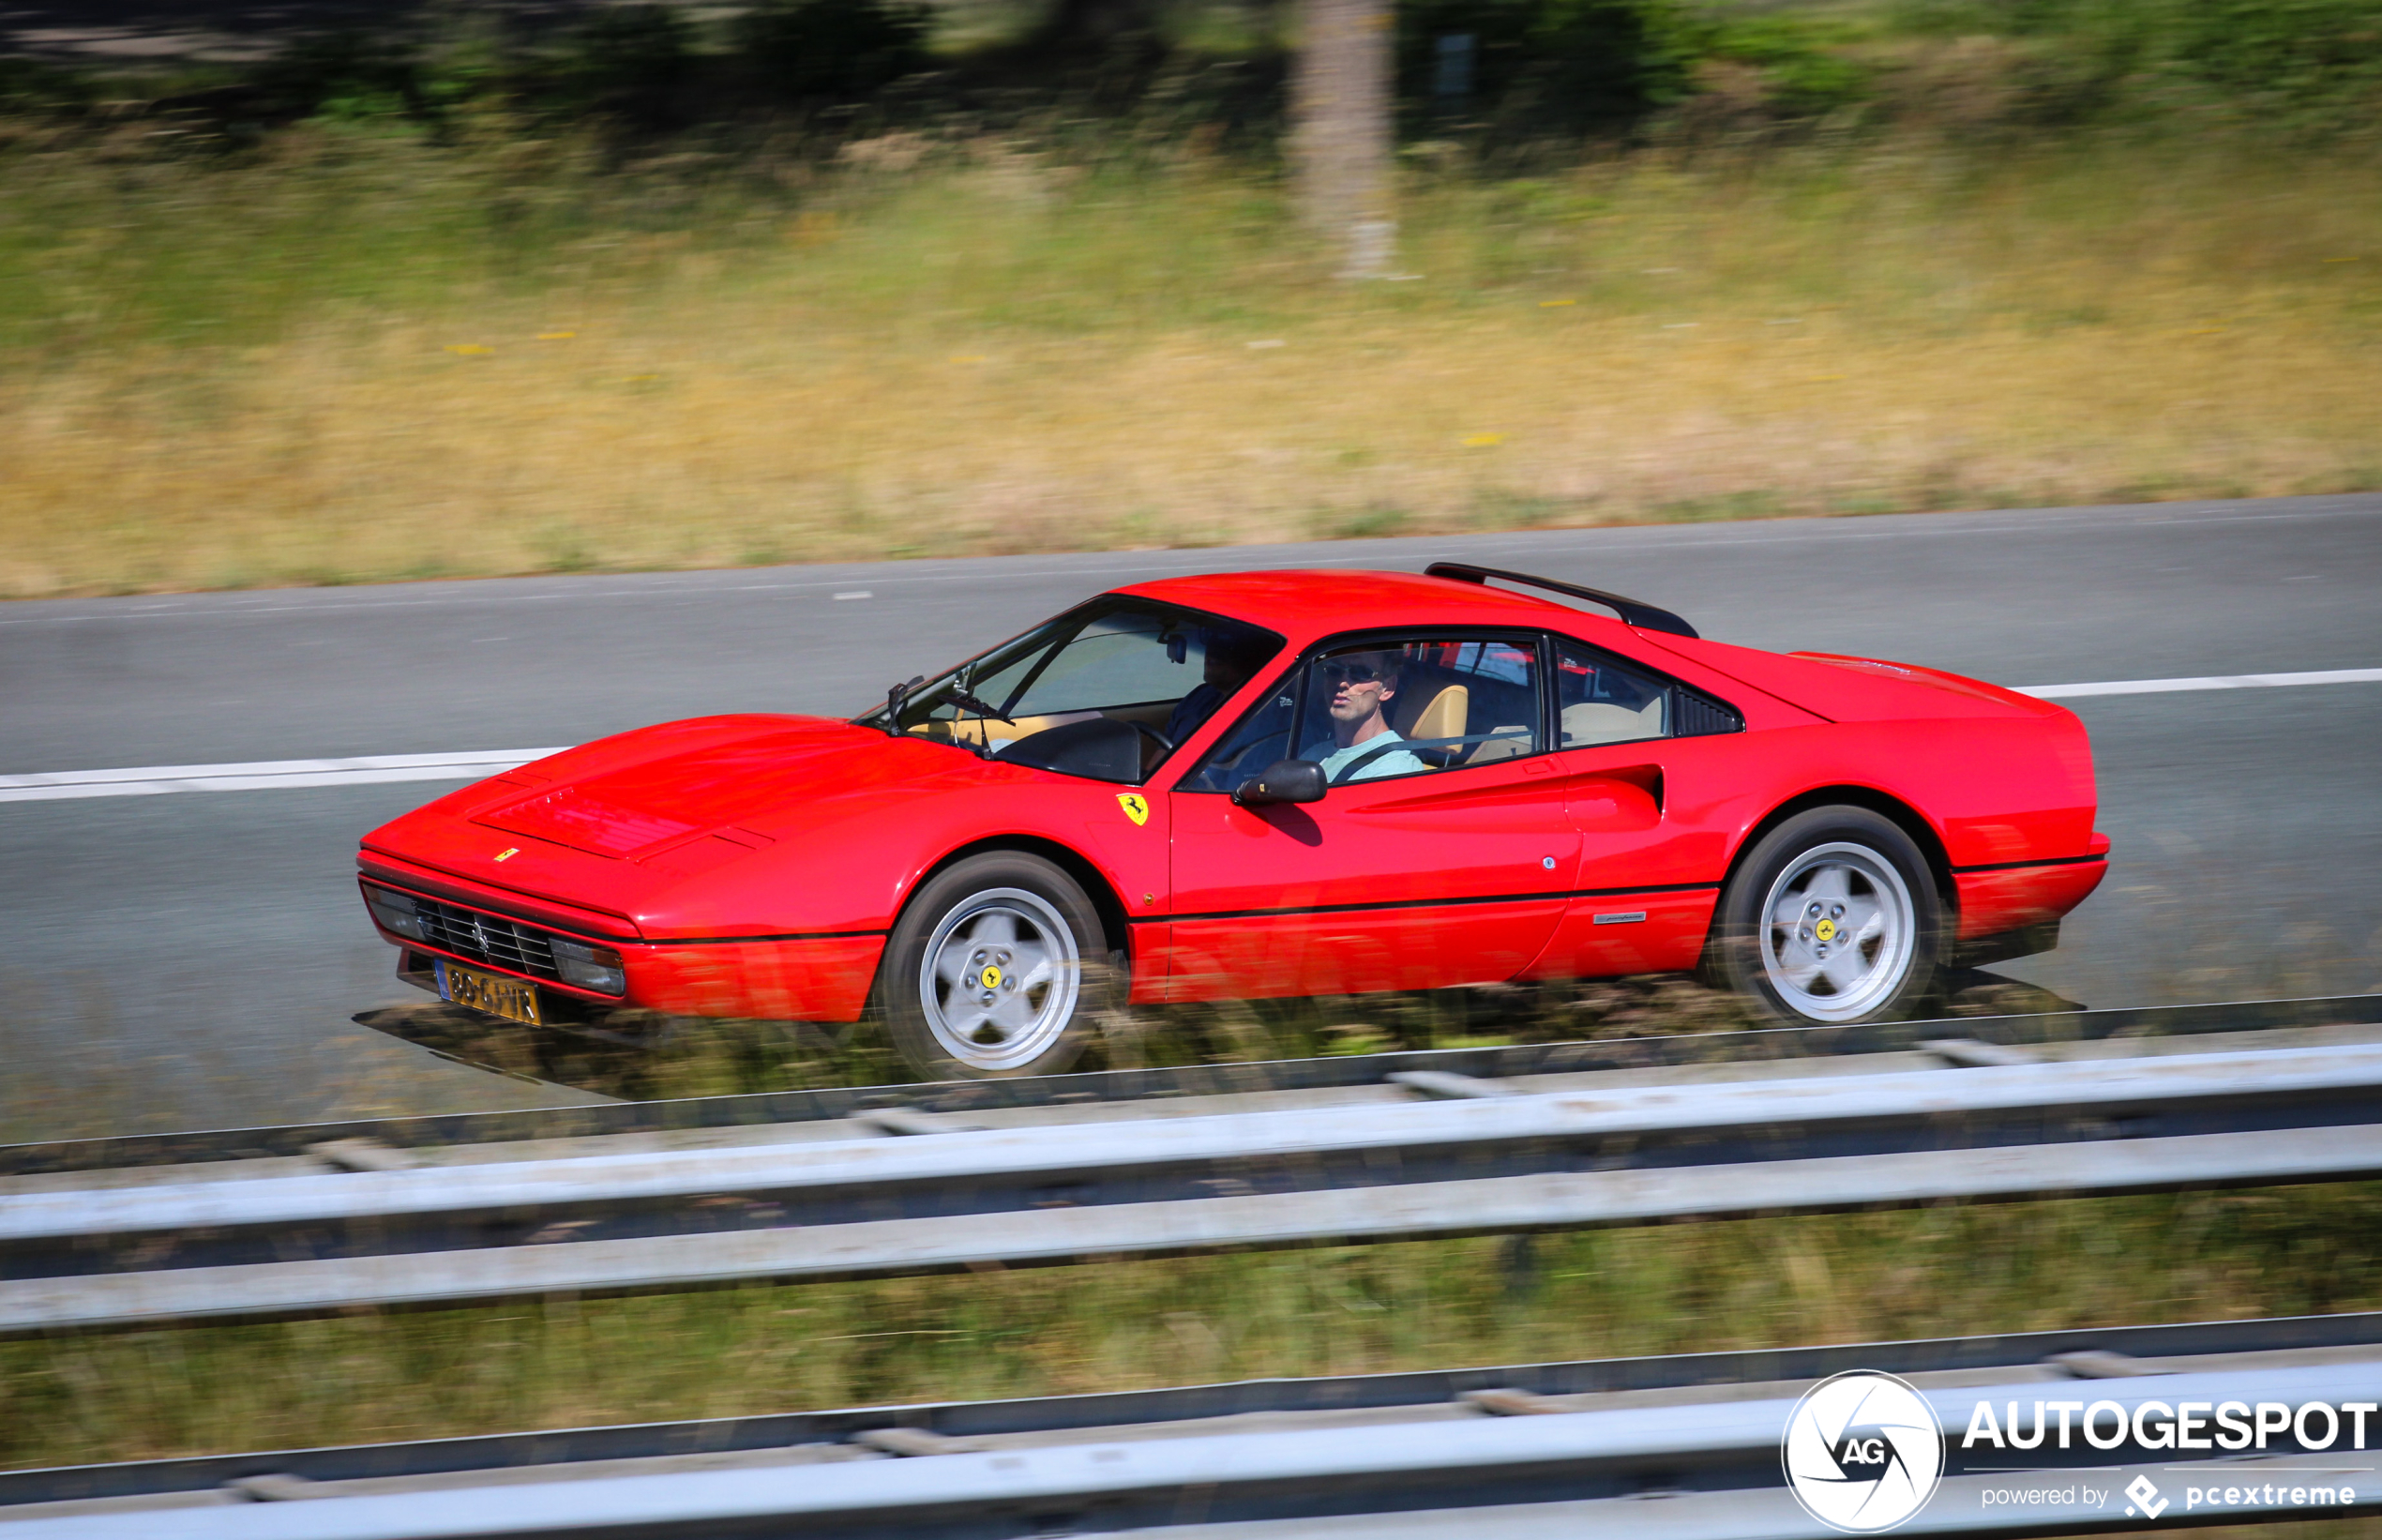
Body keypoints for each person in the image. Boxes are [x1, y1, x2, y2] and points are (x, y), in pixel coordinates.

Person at [1300, 650, 1425, 782]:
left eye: (1360, 672)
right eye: (1334, 670)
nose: (1342, 683)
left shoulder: (1397, 768)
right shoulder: (1315, 753)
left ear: (1387, 688)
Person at [1165, 629, 1274, 744]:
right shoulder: (1198, 698)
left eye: (1231, 646)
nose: (1212, 652)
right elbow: (1165, 753)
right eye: (1212, 640)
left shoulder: (1272, 719)